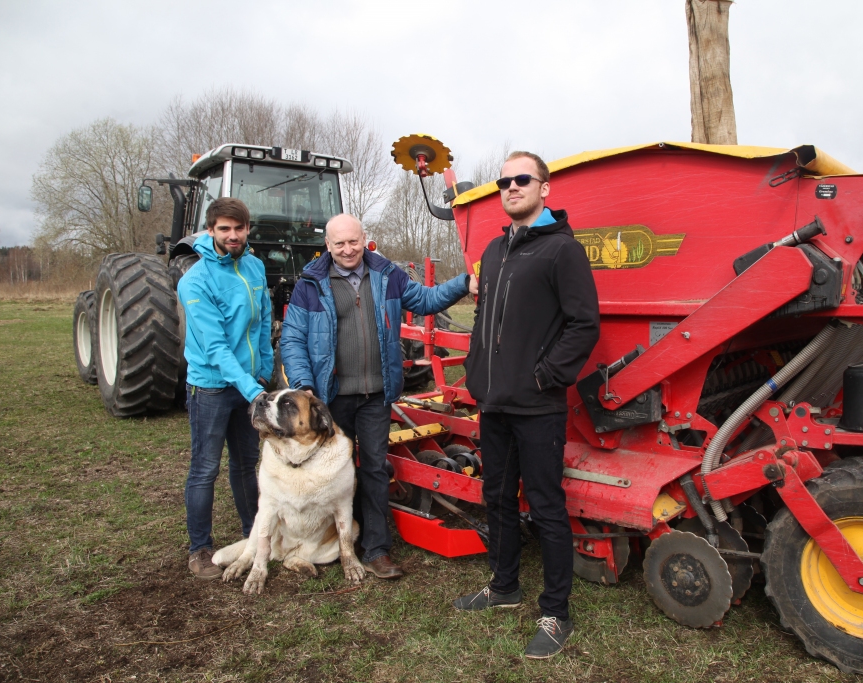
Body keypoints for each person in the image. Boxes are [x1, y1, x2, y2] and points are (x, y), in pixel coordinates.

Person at [454, 151, 600, 659]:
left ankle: (556, 613)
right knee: (495, 497)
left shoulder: (562, 251)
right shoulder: (494, 251)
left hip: (538, 407)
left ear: (545, 188)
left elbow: (585, 324)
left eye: (522, 179)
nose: (511, 187)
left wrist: (544, 376)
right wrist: (476, 371)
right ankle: (504, 586)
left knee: (545, 506)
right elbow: (482, 321)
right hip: (493, 403)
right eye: (504, 181)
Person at [280, 213, 476, 579]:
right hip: (329, 398)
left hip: (375, 395)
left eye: (353, 241)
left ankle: (376, 548)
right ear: (328, 245)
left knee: (372, 469)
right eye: (339, 243)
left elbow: (427, 299)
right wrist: (306, 385)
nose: (347, 249)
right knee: (328, 471)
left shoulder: (387, 275)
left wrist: (465, 282)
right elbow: (293, 338)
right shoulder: (311, 283)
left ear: (364, 238)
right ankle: (325, 540)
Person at [177, 197, 273, 579]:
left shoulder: (255, 266)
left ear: (248, 229)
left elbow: (262, 321)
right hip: (213, 388)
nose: (232, 235)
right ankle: (199, 548)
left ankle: (255, 536)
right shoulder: (195, 280)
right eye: (224, 229)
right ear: (211, 230)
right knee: (205, 467)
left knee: (246, 463)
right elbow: (214, 347)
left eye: (239, 228)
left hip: (249, 384)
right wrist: (253, 391)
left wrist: (263, 370)